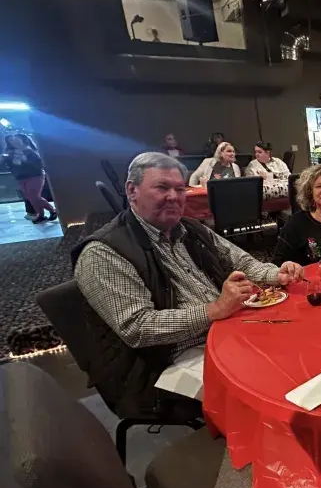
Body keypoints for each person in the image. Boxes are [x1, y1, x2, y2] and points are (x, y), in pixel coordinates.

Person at [71, 152, 304, 415]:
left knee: (297, 352)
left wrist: (277, 275)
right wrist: (215, 310)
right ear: (132, 191)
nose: (173, 196)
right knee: (269, 390)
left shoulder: (190, 228)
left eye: (180, 189)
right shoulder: (103, 253)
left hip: (224, 333)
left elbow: (243, 263)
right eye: (162, 187)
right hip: (165, 362)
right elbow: (138, 327)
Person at [2, 134, 57, 224]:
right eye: (13, 141)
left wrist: (25, 160)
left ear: (23, 140)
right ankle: (43, 214)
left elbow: (39, 165)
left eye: (17, 140)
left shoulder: (30, 151)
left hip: (35, 176)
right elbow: (10, 165)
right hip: (20, 177)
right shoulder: (11, 153)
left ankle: (50, 211)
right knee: (30, 197)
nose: (15, 142)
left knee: (34, 196)